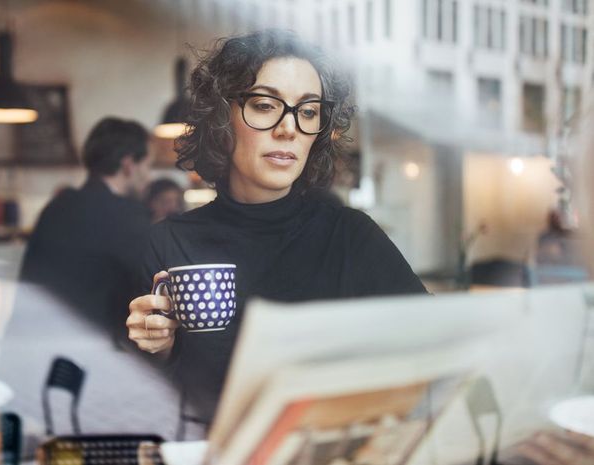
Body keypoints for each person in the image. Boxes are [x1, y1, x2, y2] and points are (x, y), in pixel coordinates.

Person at [126, 30, 427, 423]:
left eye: (307, 111)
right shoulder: (169, 242)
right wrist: (155, 347)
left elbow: (432, 351)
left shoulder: (352, 237)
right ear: (222, 118)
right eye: (266, 105)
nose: (289, 129)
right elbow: (139, 399)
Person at [19, 117, 153, 344]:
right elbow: (149, 282)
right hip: (85, 353)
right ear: (128, 165)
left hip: (29, 343)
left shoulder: (57, 206)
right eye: (148, 166)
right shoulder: (126, 215)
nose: (149, 177)